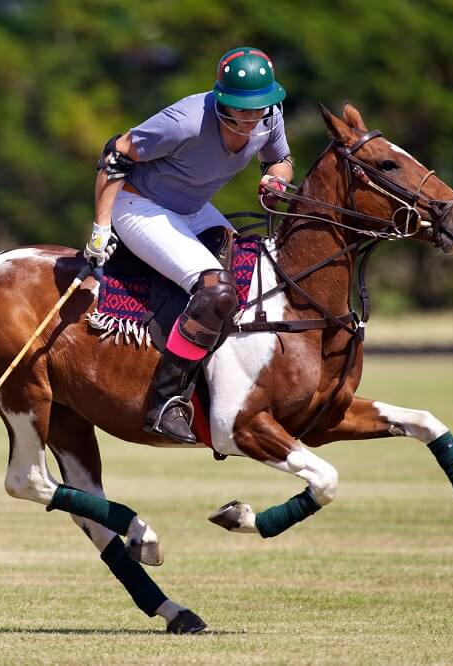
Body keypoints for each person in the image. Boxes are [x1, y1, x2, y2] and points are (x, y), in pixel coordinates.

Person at [84, 46, 295, 444]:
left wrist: (275, 180)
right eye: (241, 109)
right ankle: (166, 402)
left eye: (259, 108)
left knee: (248, 274)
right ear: (221, 102)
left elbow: (279, 158)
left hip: (193, 207)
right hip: (140, 204)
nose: (252, 119)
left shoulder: (270, 119)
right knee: (214, 288)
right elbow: (116, 154)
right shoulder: (184, 122)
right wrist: (101, 227)